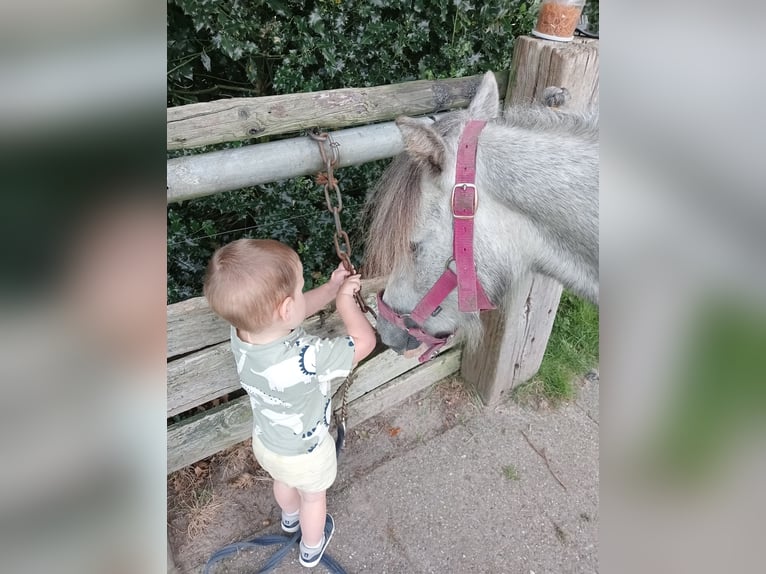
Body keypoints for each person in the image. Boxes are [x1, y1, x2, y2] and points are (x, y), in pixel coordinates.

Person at [203, 238, 376, 568]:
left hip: (267, 443)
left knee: (283, 481)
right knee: (314, 496)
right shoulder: (305, 358)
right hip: (308, 452)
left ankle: (288, 520)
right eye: (300, 289)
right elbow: (364, 342)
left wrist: (328, 288)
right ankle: (311, 548)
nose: (302, 294)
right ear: (285, 308)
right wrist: (344, 302)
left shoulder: (242, 332)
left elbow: (288, 314)